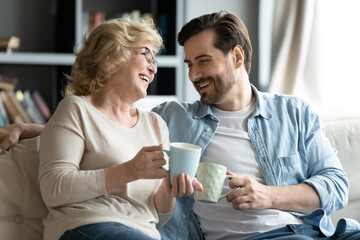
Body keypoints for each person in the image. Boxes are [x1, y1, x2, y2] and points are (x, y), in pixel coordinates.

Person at [1, 11, 360, 240]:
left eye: (203, 61)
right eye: (188, 64)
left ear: (237, 56)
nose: (193, 75)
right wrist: (26, 129)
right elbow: (99, 124)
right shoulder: (178, 118)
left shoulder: (294, 113)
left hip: (318, 230)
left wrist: (268, 195)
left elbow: (336, 187)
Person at [6, 17, 200, 240]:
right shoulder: (76, 109)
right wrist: (128, 171)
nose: (153, 68)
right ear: (111, 57)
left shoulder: (156, 125)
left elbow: (156, 215)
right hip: (85, 225)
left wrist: (169, 190)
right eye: (145, 54)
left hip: (142, 233)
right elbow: (54, 189)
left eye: (154, 61)